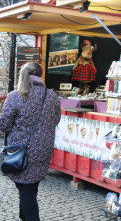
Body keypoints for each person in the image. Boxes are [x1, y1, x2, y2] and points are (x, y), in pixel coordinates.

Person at [0, 62, 61, 221]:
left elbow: (3, 125)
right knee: (30, 188)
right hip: (44, 149)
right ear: (40, 74)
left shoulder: (16, 95)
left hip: (22, 151)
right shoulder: (51, 95)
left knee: (26, 190)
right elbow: (56, 119)